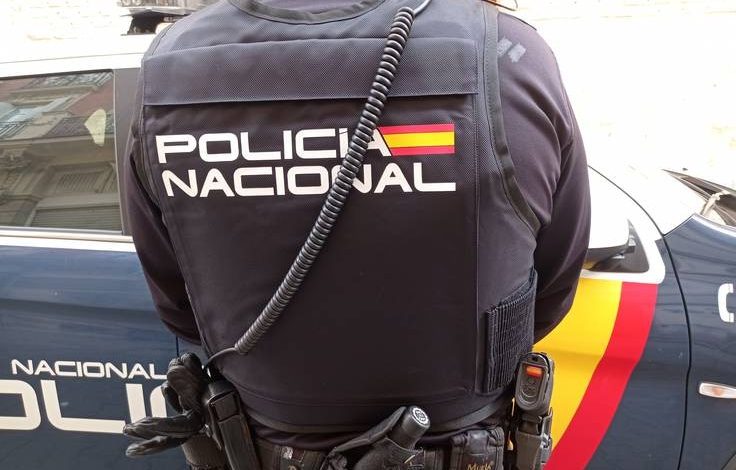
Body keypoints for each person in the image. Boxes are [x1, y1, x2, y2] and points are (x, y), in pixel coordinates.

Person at [123, 0, 590, 468]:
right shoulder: (508, 52)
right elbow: (550, 287)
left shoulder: (171, 61)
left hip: (261, 444)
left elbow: (180, 306)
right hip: (461, 444)